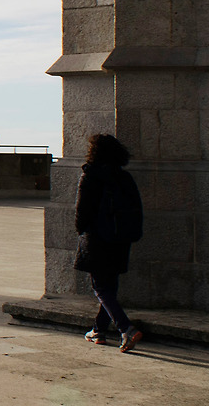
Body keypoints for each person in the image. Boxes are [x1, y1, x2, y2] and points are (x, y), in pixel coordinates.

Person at [74, 133, 144, 352]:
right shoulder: (125, 178)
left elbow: (82, 210)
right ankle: (98, 330)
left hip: (98, 238)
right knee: (110, 285)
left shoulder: (91, 176)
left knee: (101, 287)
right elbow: (137, 209)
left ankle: (126, 329)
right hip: (121, 239)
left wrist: (80, 229)